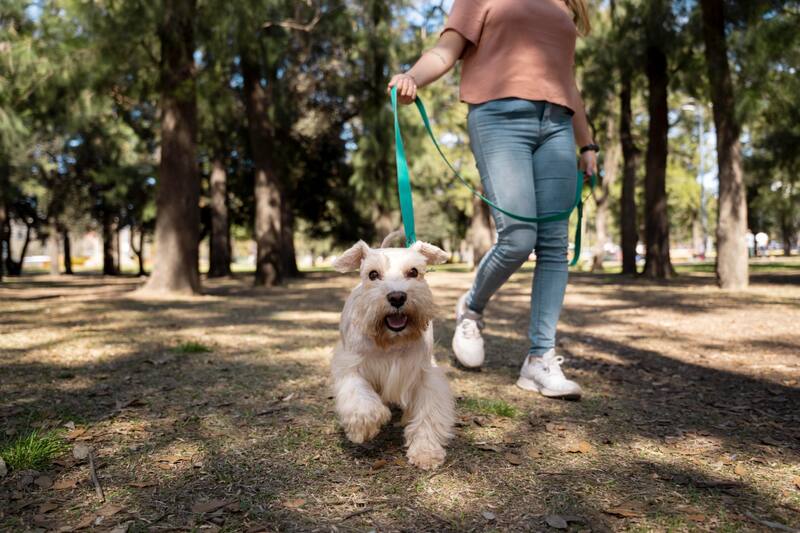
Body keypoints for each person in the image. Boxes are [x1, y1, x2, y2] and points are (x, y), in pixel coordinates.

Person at [387, 0, 597, 400]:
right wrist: (411, 77)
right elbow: (445, 50)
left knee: (554, 244)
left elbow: (567, 80)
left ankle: (539, 359)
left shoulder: (562, 5)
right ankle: (471, 306)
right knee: (519, 236)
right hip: (499, 117)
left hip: (557, 124)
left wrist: (587, 143)